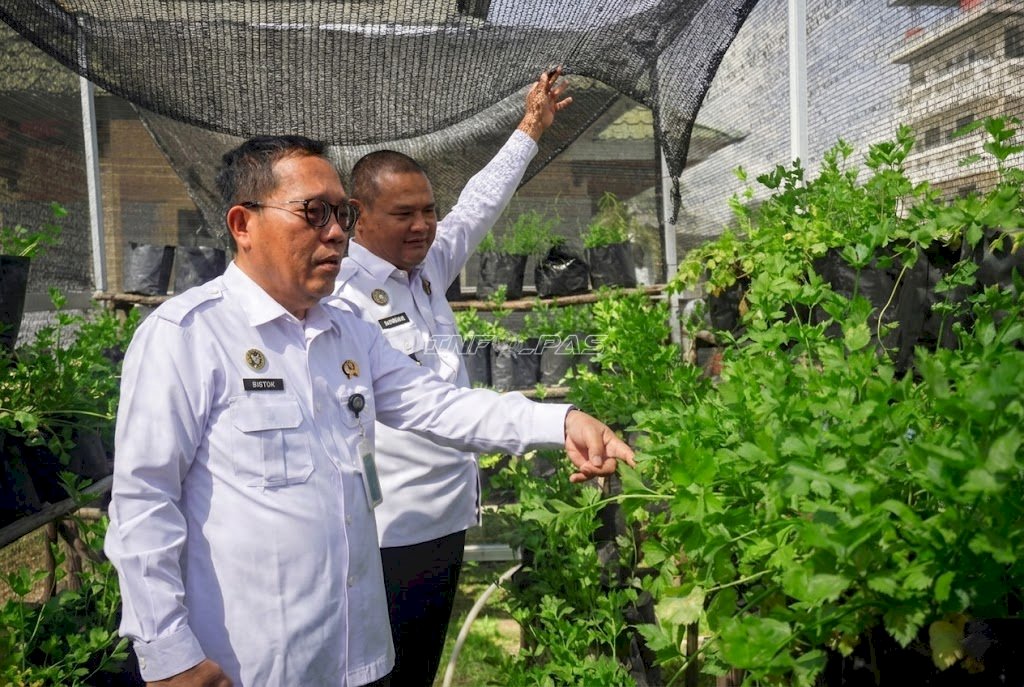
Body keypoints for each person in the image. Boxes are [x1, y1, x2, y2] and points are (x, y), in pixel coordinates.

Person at [103, 132, 634, 687]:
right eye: (313, 213)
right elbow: (144, 502)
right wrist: (168, 655)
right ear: (243, 225)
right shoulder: (187, 337)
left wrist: (561, 420)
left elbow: (440, 406)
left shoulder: (347, 333)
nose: (335, 232)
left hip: (358, 650)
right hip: (254, 663)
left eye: (341, 215)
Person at [332, 67, 571, 685]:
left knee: (419, 665)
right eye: (404, 213)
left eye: (429, 210)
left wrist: (528, 129)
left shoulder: (430, 264)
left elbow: (480, 203)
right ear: (358, 215)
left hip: (445, 515)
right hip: (387, 530)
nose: (424, 225)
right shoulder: (340, 297)